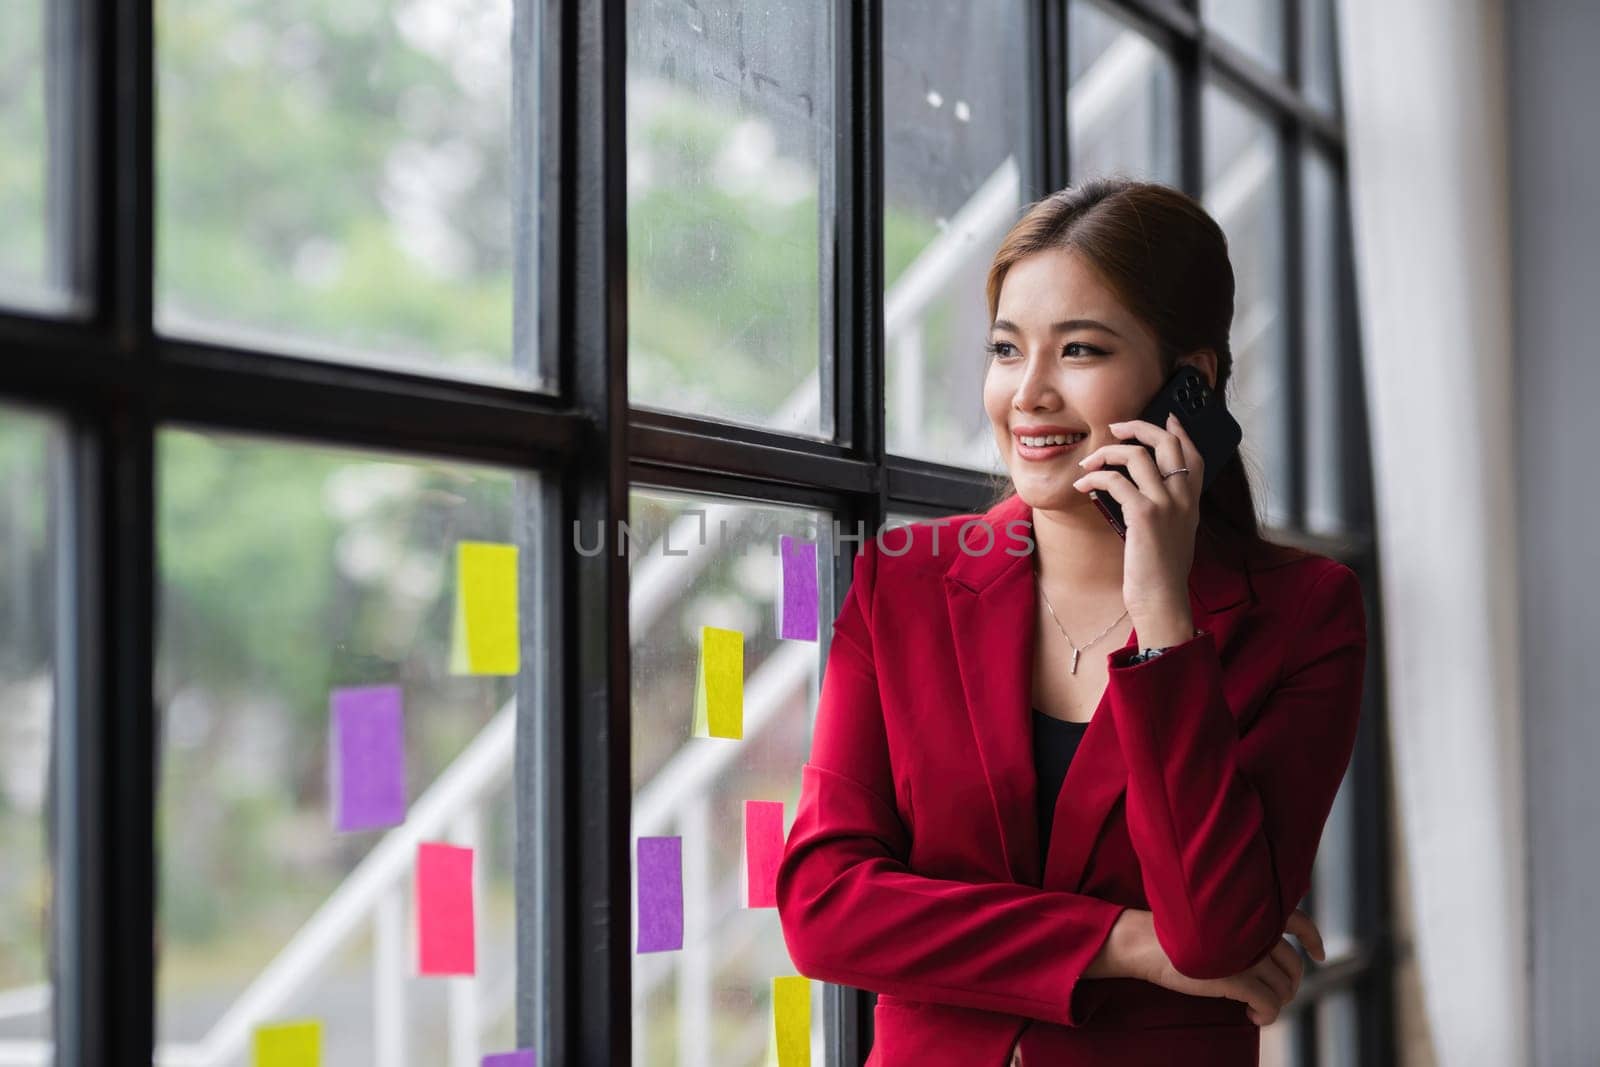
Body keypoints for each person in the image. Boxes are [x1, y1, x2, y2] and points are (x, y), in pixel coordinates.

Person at [775, 177, 1368, 1066]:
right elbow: (824, 908)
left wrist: (1165, 617)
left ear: (1189, 385)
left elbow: (1212, 935)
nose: (1029, 394)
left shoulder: (1305, 613)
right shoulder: (905, 581)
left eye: (1080, 350)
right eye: (1007, 350)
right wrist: (1126, 942)